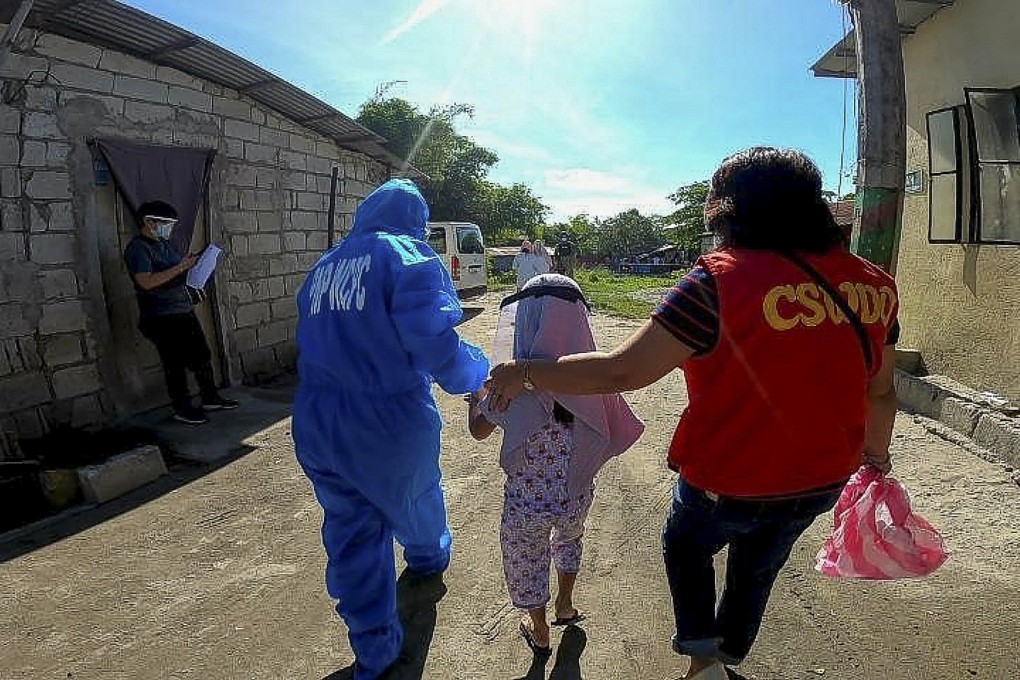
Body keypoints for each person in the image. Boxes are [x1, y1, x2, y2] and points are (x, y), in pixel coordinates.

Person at [485, 147, 900, 680]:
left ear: (729, 209)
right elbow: (881, 391)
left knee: (686, 546)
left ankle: (703, 661)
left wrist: (525, 372)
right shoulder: (875, 286)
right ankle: (726, 656)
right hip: (823, 478)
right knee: (759, 568)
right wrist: (876, 455)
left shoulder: (717, 281)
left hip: (727, 478)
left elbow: (621, 371)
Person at [293, 179, 489, 680]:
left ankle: (374, 648)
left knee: (350, 529)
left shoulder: (323, 267)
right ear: (415, 220)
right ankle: (427, 558)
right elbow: (434, 343)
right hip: (385, 420)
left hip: (315, 418)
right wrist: (478, 374)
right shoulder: (408, 256)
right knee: (416, 498)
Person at [467, 275, 643, 658]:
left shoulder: (510, 385)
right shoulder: (590, 383)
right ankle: (565, 604)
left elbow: (479, 431)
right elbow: (613, 425)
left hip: (525, 505)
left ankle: (539, 626)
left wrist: (475, 398)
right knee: (569, 541)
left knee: (526, 557)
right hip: (575, 497)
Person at [123, 200, 237, 425]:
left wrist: (194, 273)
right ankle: (182, 408)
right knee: (174, 363)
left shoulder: (165, 245)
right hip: (160, 316)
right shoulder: (138, 248)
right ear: (149, 222)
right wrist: (181, 267)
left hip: (183, 310)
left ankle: (210, 397)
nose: (170, 229)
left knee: (201, 355)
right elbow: (146, 282)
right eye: (166, 224)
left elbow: (177, 274)